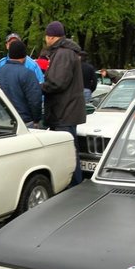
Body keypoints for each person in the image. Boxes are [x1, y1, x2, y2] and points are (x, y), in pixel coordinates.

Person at [41, 20, 85, 186]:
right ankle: (74, 185)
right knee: (70, 151)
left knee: (68, 153)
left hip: (64, 111)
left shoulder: (63, 53)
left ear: (51, 37)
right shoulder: (66, 52)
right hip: (66, 110)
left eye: (46, 36)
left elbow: (57, 82)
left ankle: (74, 187)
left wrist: (40, 87)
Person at [0, 40, 42, 128]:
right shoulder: (28, 74)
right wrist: (36, 119)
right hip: (24, 121)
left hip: (2, 122)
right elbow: (35, 100)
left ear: (9, 54)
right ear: (24, 56)